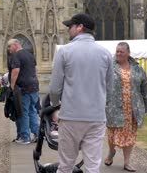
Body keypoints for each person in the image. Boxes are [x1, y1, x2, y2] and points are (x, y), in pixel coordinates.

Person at [49, 13, 114, 173]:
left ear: (80, 27)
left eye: (70, 26)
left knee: (65, 166)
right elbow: (110, 89)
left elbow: (54, 89)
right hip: (96, 117)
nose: (67, 30)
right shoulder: (105, 53)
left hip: (71, 116)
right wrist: (101, 106)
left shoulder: (64, 51)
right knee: (92, 166)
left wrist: (55, 107)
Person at [104, 42, 147, 172]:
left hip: (132, 109)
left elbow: (145, 87)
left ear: (128, 53)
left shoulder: (137, 68)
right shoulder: (109, 67)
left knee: (130, 137)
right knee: (112, 136)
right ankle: (111, 152)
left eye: (121, 52)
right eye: (117, 51)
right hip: (113, 108)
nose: (118, 54)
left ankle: (127, 163)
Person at [7, 38, 40, 144]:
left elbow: (15, 71)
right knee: (32, 111)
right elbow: (36, 70)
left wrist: (12, 85)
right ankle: (38, 135)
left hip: (23, 88)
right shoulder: (30, 55)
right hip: (33, 87)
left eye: (9, 46)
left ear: (16, 45)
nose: (8, 49)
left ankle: (25, 137)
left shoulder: (16, 56)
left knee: (23, 112)